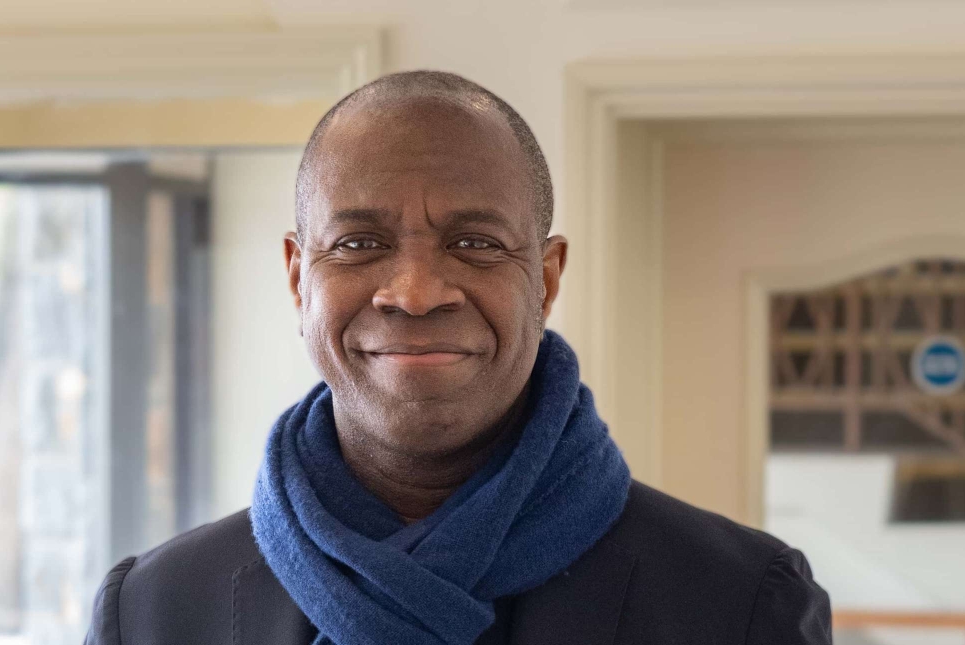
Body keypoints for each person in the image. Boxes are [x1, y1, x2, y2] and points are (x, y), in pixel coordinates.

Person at [84, 71, 832, 645]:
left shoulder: (736, 600)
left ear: (545, 277)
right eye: (358, 243)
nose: (414, 292)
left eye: (474, 242)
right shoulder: (157, 609)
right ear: (296, 276)